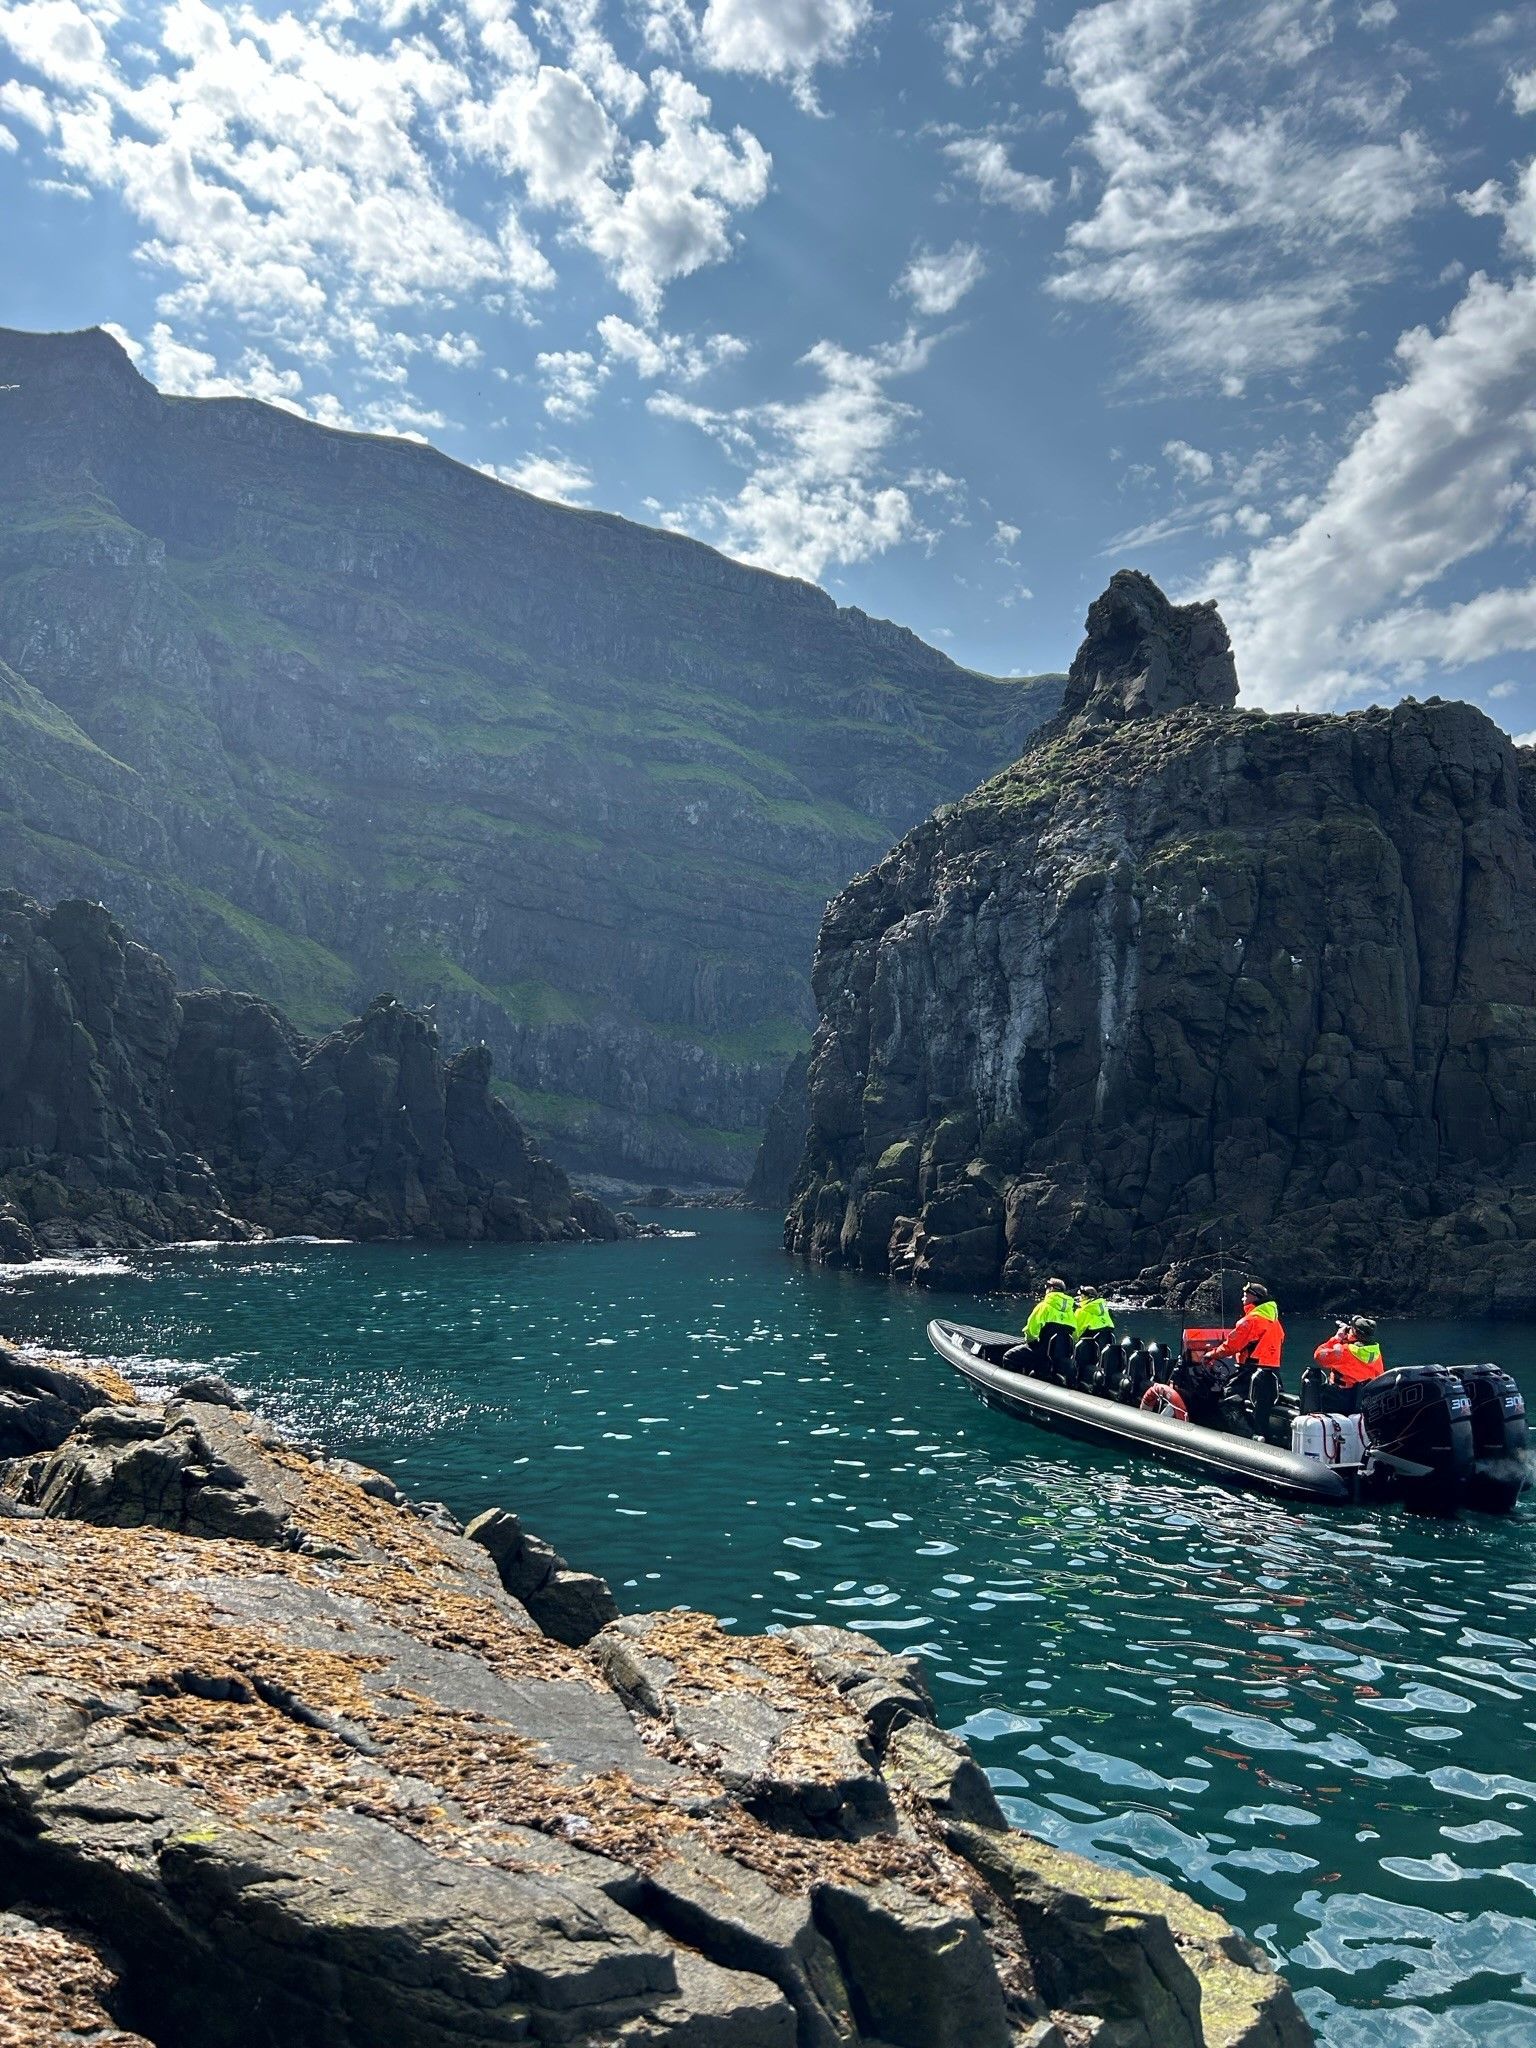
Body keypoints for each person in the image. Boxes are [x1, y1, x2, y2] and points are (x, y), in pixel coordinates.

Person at [1205, 1282, 1286, 1433]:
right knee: (1262, 1405)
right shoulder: (1275, 1323)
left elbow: (1231, 1346)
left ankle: (1243, 1437)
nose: (1242, 1298)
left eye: (1245, 1295)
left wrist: (1211, 1354)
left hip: (1250, 1373)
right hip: (1272, 1375)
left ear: (1254, 1297)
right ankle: (1259, 1433)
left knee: (1227, 1399)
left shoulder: (1251, 1321)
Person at [1312, 1316, 1384, 1388]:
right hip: (1362, 1394)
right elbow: (1379, 1375)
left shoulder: (1345, 1351)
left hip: (1341, 1393)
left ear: (1354, 1332)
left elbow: (1318, 1355)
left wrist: (1336, 1338)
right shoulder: (1375, 1351)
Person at [1024, 1277, 1075, 1366]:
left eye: (1046, 1286)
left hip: (1042, 1353)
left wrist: (1031, 1342)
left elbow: (1031, 1330)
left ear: (1051, 1288)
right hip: (1062, 1355)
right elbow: (1075, 1335)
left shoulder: (1043, 1307)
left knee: (1008, 1356)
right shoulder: (1071, 1312)